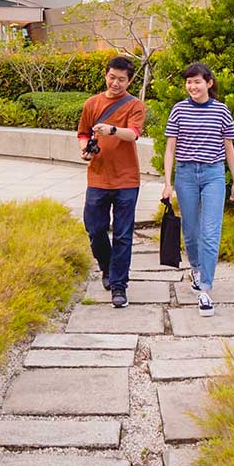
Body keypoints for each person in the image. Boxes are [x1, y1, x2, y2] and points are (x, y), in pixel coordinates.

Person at [160, 62, 234, 316]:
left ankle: (205, 288)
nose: (192, 86)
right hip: (185, 175)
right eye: (188, 82)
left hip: (213, 174)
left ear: (209, 83)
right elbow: (170, 148)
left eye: (197, 81)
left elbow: (229, 147)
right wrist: (167, 182)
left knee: (211, 231)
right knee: (192, 231)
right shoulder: (179, 110)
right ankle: (196, 268)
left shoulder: (221, 111)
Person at [77, 56, 148, 308]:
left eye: (121, 79)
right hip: (97, 176)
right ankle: (107, 267)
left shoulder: (135, 105)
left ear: (129, 81)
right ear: (105, 75)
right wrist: (86, 148)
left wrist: (112, 130)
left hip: (127, 179)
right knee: (95, 229)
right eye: (112, 77)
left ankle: (119, 286)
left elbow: (133, 134)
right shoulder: (92, 103)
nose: (116, 83)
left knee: (122, 234)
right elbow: (83, 132)